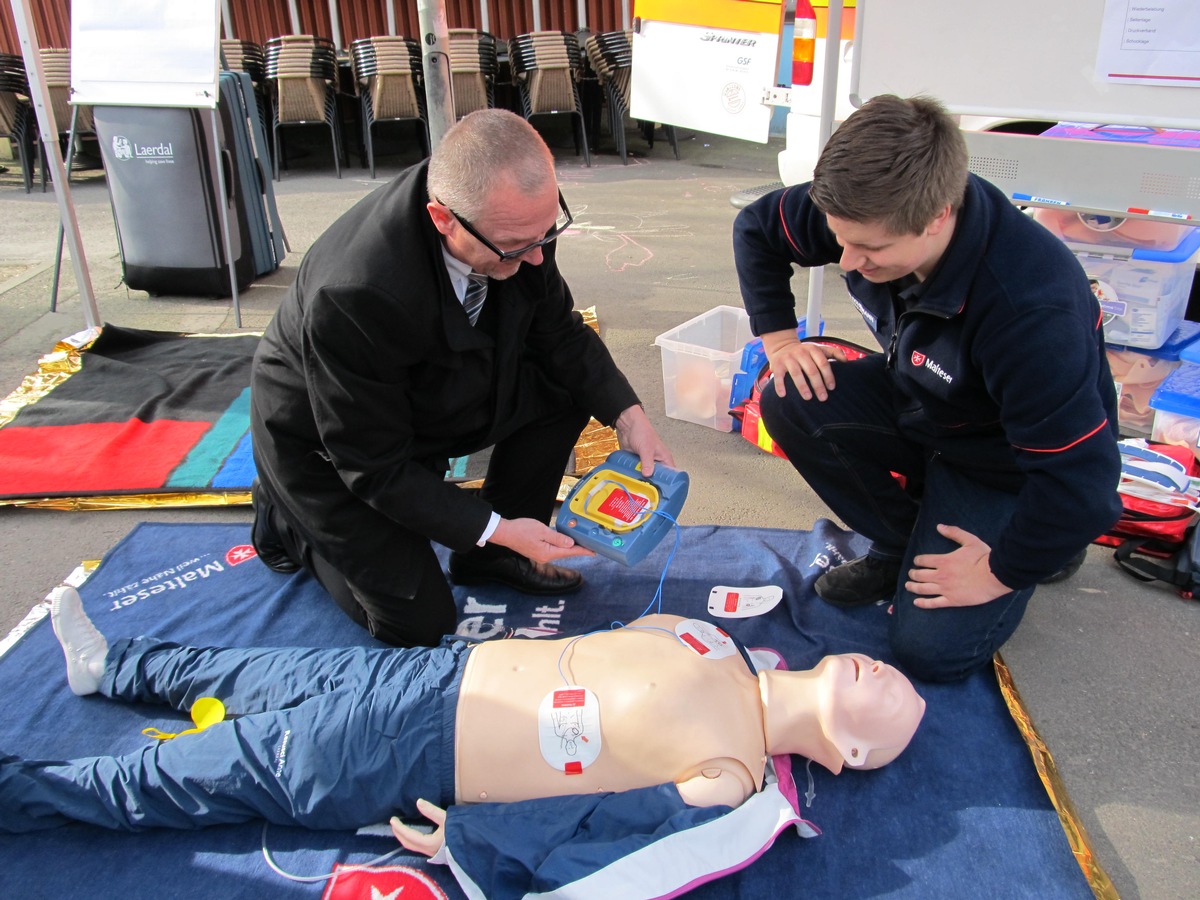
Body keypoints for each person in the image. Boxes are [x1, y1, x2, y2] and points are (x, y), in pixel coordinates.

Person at [3, 588, 923, 852]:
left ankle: (19, 793)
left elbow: (609, 844)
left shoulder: (731, 779)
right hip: (437, 672)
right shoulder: (710, 638)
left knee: (189, 771)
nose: (881, 668)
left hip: (416, 750)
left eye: (888, 699)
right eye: (888, 666)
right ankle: (112, 664)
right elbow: (610, 634)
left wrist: (479, 842)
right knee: (259, 671)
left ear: (844, 756)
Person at [732, 94, 1122, 683]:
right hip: (923, 401)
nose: (848, 261)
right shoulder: (869, 210)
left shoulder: (1029, 312)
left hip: (1003, 463)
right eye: (840, 240)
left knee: (929, 653)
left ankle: (1044, 548)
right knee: (787, 394)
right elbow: (756, 229)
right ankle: (903, 540)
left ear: (939, 214)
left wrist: (1001, 569)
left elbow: (1085, 484)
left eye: (872, 250)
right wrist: (780, 341)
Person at [249, 109, 672, 648]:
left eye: (547, 233)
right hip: (329, 442)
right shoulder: (355, 292)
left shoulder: (517, 219)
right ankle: (289, 520)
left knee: (566, 385)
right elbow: (372, 464)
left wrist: (627, 416)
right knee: (418, 624)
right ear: (443, 218)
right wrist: (491, 521)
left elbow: (557, 333)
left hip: (428, 382)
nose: (538, 255)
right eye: (518, 246)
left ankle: (493, 558)